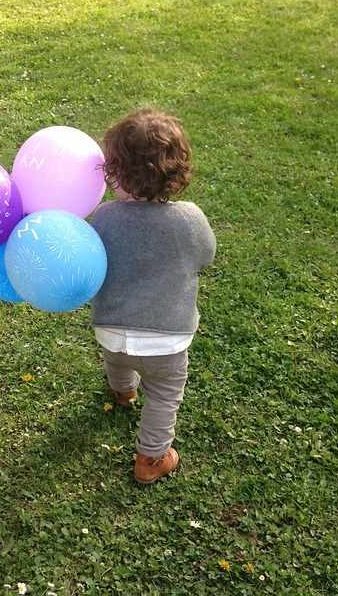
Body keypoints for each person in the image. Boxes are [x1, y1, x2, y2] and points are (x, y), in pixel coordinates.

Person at [91, 108, 216, 484]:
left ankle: (122, 391)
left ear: (115, 172)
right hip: (167, 339)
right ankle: (150, 458)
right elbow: (205, 256)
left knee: (118, 359)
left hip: (110, 329)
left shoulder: (103, 217)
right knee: (162, 395)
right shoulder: (190, 219)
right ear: (176, 173)